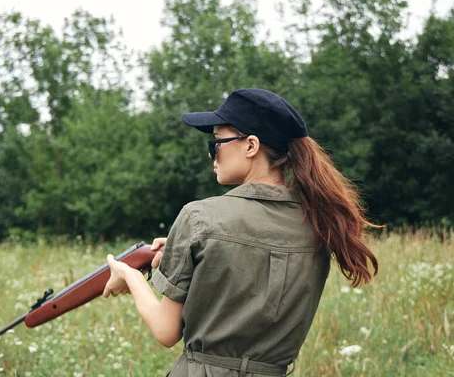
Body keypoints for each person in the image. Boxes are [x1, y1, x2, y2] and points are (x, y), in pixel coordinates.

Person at [103, 88, 379, 377]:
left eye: (216, 143)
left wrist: (131, 275)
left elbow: (166, 331)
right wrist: (181, 253)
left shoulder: (198, 218)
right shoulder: (320, 226)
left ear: (250, 146)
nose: (212, 154)